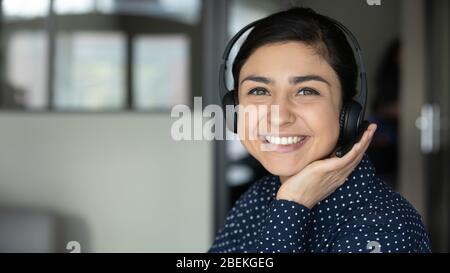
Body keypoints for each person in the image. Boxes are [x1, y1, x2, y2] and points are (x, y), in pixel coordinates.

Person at [208, 7, 431, 253]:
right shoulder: (260, 196)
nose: (279, 116)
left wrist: (290, 208)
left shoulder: (385, 227)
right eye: (258, 91)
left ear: (347, 111)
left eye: (306, 91)